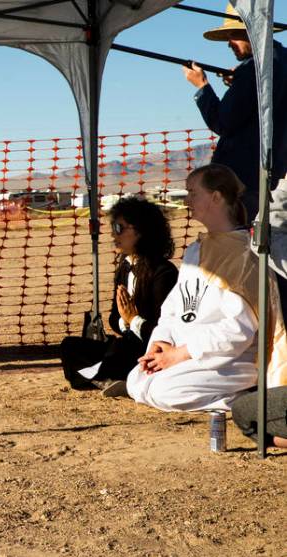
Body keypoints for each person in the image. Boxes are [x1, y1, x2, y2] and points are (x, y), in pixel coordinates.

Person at [126, 164, 287, 412]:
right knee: (137, 381)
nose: (187, 200)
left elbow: (237, 330)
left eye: (193, 192)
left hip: (231, 359)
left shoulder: (246, 254)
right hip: (186, 353)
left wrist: (181, 354)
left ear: (216, 197)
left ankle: (243, 403)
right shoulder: (195, 250)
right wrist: (161, 342)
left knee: (162, 390)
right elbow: (173, 309)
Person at [60, 197, 178, 395]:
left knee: (121, 348)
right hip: (126, 343)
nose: (114, 234)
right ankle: (110, 378)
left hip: (150, 349)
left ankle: (113, 378)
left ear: (141, 231)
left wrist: (134, 320)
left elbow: (166, 330)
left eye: (119, 228)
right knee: (70, 347)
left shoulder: (163, 273)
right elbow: (115, 319)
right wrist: (125, 321)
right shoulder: (124, 268)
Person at [184, 3, 287, 221]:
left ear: (253, 31)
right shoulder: (280, 60)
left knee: (238, 242)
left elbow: (223, 122)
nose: (229, 43)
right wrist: (238, 83)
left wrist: (202, 88)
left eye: (234, 35)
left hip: (241, 180)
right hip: (268, 174)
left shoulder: (252, 70)